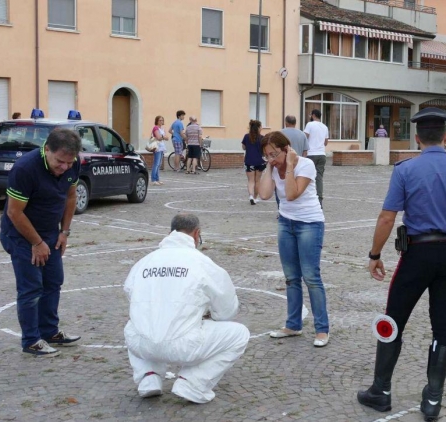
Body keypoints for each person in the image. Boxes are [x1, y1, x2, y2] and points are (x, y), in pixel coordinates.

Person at [356, 108, 446, 420]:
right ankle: (433, 398)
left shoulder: (405, 170)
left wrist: (375, 254)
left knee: (392, 319)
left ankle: (381, 390)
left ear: (417, 138)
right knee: (442, 324)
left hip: (417, 254)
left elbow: (387, 217)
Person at [124, 213, 249, 401]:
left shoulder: (144, 262)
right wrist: (205, 314)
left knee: (134, 324)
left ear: (170, 232)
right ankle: (193, 383)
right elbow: (227, 310)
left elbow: (130, 294)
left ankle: (148, 378)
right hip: (184, 344)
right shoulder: (202, 263)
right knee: (239, 334)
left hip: (143, 344)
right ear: (197, 234)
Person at [0, 128, 82, 357]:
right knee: (32, 286)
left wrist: (64, 232)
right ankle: (31, 340)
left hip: (50, 233)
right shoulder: (25, 169)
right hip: (20, 234)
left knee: (54, 280)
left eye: (69, 162)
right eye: (59, 161)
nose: (64, 167)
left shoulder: (73, 164)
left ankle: (50, 331)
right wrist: (36, 242)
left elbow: (71, 196)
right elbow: (14, 213)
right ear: (47, 149)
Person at [257, 131, 330, 347]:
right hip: (285, 223)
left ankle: (322, 329)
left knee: (311, 276)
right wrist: (269, 167)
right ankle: (293, 324)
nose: (271, 158)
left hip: (309, 224)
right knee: (291, 277)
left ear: (287, 149)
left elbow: (291, 194)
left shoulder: (305, 164)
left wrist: (288, 165)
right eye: (267, 155)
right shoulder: (272, 166)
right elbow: (264, 194)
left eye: (274, 154)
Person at [303, 109, 329, 207]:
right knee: (319, 177)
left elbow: (304, 137)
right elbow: (326, 142)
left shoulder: (310, 125)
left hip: (311, 153)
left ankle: (308, 198)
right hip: (321, 154)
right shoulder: (325, 127)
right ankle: (319, 199)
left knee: (307, 176)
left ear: (313, 115)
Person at [242, 119, 266, 205]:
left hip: (249, 160)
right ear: (259, 128)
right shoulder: (262, 138)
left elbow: (243, 147)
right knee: (257, 180)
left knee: (251, 181)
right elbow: (264, 150)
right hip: (260, 161)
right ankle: (255, 198)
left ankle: (251, 196)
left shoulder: (246, 136)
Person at [149, 116, 167, 186]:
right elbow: (159, 137)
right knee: (156, 164)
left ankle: (157, 179)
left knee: (159, 164)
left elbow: (167, 137)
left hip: (162, 147)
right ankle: (153, 179)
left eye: (162, 120)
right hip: (157, 147)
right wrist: (163, 137)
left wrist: (162, 136)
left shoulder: (162, 128)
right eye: (160, 120)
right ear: (157, 121)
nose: (161, 122)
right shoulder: (155, 128)